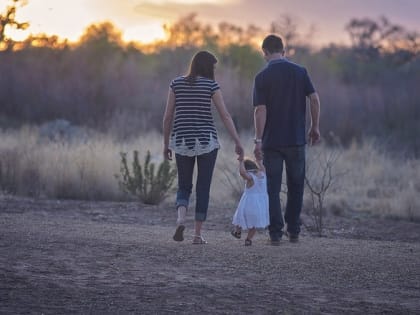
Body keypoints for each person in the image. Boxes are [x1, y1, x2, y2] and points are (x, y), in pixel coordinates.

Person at [163, 50, 244, 245]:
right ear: (208, 67)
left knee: (184, 185)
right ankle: (197, 235)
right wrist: (237, 141)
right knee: (203, 187)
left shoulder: (176, 84)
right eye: (213, 67)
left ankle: (181, 219)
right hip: (206, 142)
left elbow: (167, 117)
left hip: (181, 140)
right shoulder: (211, 85)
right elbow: (225, 116)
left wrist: (166, 143)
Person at [253, 34, 321, 245]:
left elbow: (259, 110)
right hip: (296, 140)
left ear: (264, 52)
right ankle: (293, 231)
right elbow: (315, 99)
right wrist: (314, 126)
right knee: (296, 186)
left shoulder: (262, 77)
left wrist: (258, 140)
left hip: (272, 142)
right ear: (283, 51)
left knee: (272, 188)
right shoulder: (300, 72)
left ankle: (275, 233)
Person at [231, 157, 269, 246]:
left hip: (249, 203)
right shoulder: (263, 174)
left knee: (240, 217)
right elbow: (262, 167)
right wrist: (259, 161)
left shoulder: (250, 177)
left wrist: (241, 162)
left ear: (247, 169)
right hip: (260, 205)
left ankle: (238, 232)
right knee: (254, 223)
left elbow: (242, 173)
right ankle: (248, 239)